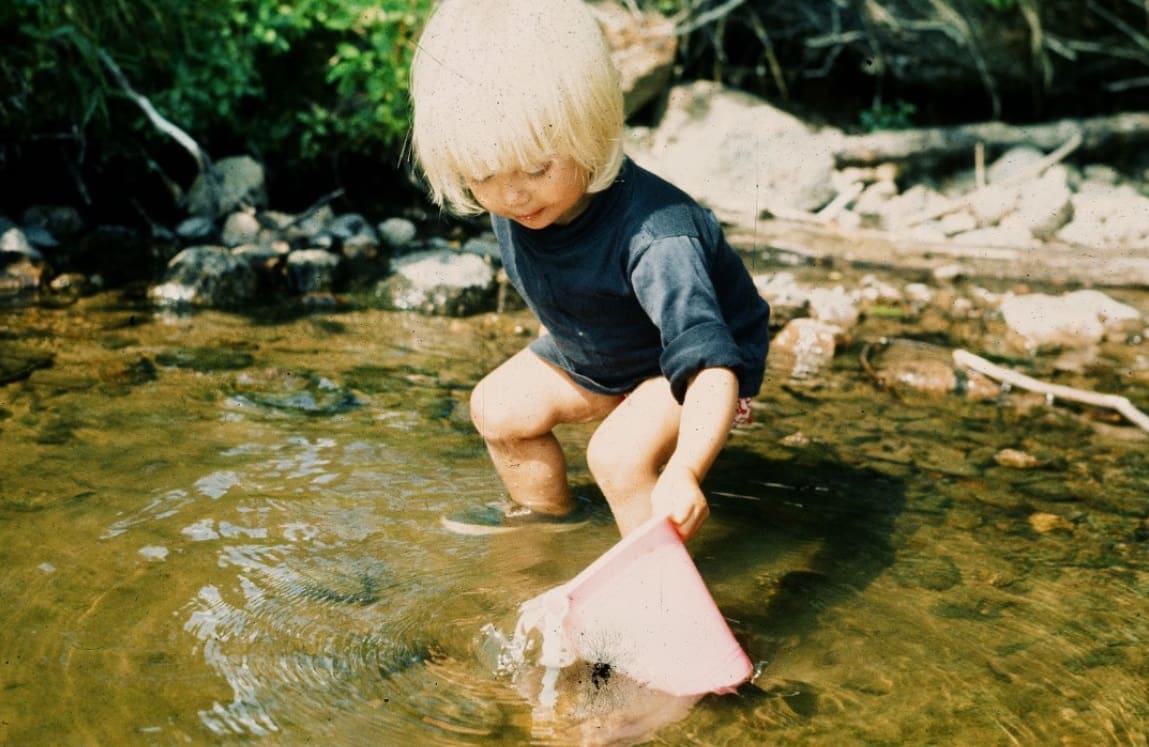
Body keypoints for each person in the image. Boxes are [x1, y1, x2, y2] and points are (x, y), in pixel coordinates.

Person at [409, 0, 770, 541]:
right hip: (609, 346)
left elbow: (712, 368)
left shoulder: (658, 237)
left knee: (618, 457)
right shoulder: (523, 201)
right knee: (497, 407)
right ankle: (549, 523)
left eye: (535, 167)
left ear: (592, 129)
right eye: (483, 174)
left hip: (698, 368)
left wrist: (684, 470)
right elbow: (564, 284)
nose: (512, 194)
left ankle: (660, 593)